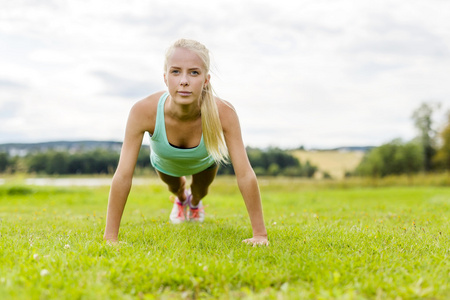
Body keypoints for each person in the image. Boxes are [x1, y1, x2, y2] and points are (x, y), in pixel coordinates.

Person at [103, 38, 268, 246]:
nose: (184, 80)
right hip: (166, 164)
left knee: (200, 191)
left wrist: (260, 235)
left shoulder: (224, 112)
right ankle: (181, 199)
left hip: (204, 163)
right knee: (176, 188)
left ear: (206, 79)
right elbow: (123, 174)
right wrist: (110, 238)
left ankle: (195, 203)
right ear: (165, 78)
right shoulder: (143, 111)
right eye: (175, 72)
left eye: (194, 72)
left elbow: (245, 173)